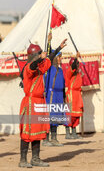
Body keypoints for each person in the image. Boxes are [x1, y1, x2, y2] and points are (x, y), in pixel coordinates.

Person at [19, 38, 66, 168]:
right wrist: (41, 58)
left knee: (38, 131)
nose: (41, 56)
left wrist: (58, 48)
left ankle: (35, 158)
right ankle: (23, 160)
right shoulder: (29, 68)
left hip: (39, 102)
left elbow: (49, 60)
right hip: (30, 103)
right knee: (27, 131)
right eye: (39, 54)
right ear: (35, 55)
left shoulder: (40, 67)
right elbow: (34, 66)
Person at [43, 33, 66, 146]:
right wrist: (49, 42)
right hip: (50, 96)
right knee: (48, 117)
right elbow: (48, 53)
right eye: (59, 56)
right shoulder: (49, 68)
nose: (61, 59)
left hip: (58, 96)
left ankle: (54, 138)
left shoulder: (60, 70)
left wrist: (64, 97)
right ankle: (45, 139)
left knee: (56, 118)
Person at [65, 51, 83, 140]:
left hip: (77, 95)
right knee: (69, 115)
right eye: (77, 64)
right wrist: (76, 57)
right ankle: (68, 133)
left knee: (76, 115)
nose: (78, 65)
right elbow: (73, 67)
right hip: (71, 95)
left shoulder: (78, 73)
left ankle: (74, 132)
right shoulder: (69, 72)